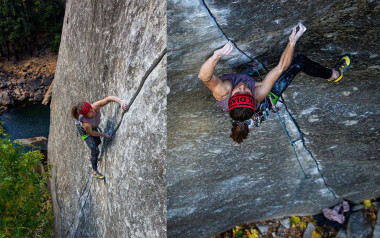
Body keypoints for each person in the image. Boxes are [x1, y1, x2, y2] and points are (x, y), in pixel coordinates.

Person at [198, 23, 351, 144]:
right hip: (264, 100)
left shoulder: (223, 91)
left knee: (245, 82)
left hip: (240, 102)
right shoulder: (259, 94)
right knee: (300, 62)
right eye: (246, 92)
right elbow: (281, 67)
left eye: (240, 92)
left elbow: (204, 76)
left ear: (231, 98)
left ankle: (244, 111)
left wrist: (216, 56)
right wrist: (292, 43)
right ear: (253, 98)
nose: (243, 87)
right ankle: (334, 74)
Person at [71, 96, 129, 179]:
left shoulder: (95, 106)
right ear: (86, 115)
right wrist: (104, 134)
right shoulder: (86, 124)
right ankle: (95, 172)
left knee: (98, 142)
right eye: (89, 112)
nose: (92, 111)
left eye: (91, 108)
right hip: (85, 132)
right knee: (95, 149)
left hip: (93, 126)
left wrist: (121, 102)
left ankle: (93, 156)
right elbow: (91, 133)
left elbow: (108, 99)